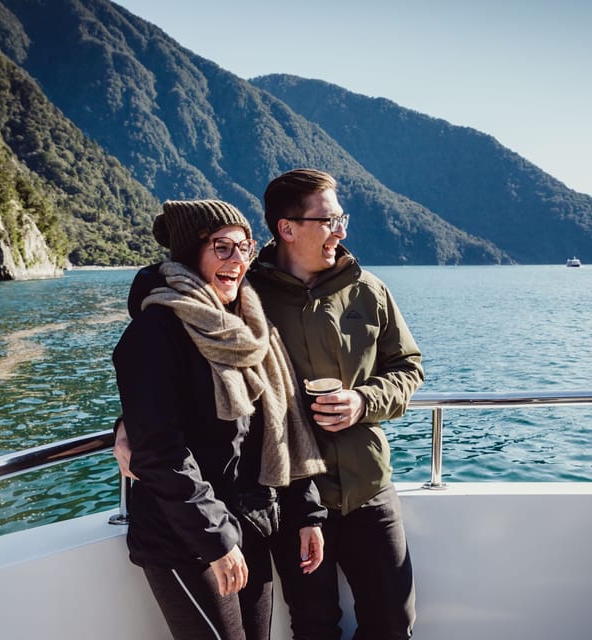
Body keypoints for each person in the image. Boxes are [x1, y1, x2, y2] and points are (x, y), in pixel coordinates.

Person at [117, 170, 424, 639]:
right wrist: (126, 425)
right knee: (315, 626)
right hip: (271, 506)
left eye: (241, 248)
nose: (340, 230)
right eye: (330, 219)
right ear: (288, 228)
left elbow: (404, 370)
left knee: (393, 623)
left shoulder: (354, 293)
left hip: (357, 487)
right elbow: (162, 380)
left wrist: (364, 401)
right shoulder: (245, 295)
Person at [112, 199, 328, 640]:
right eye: (222, 248)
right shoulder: (155, 333)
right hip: (186, 538)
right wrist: (215, 540)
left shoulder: (251, 326)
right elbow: (160, 450)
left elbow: (282, 422)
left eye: (244, 248)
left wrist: (308, 512)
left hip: (252, 523)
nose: (237, 261)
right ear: (192, 252)